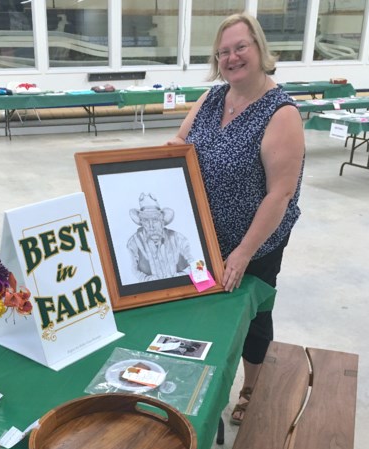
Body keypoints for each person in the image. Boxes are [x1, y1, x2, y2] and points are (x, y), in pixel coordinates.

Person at [167, 13, 305, 426]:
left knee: (254, 315)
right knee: (205, 309)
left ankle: (251, 387)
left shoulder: (281, 113)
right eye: (223, 51)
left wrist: (243, 254)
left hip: (257, 240)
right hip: (207, 235)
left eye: (240, 47)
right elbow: (180, 142)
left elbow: (279, 194)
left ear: (260, 49)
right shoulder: (212, 99)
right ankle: (204, 381)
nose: (232, 57)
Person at [126, 193, 193, 282]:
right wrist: (149, 280)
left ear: (162, 221)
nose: (151, 226)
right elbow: (132, 271)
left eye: (155, 220)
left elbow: (197, 265)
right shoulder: (133, 243)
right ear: (141, 222)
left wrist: (179, 278)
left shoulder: (178, 239)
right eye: (146, 220)